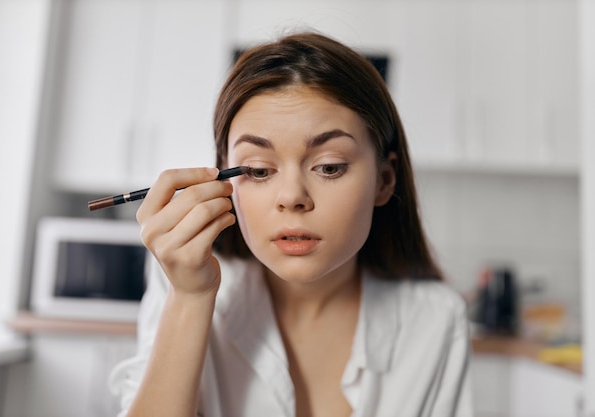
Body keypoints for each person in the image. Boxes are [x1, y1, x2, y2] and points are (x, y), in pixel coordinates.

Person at [109, 31, 472, 417]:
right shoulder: (183, 279)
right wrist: (190, 298)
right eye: (260, 170)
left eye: (329, 166)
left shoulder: (436, 319)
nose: (291, 196)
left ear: (384, 179)